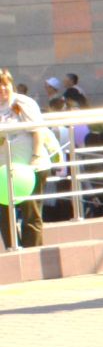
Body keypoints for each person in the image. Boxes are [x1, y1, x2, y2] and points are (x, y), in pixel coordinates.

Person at [0, 68, 49, 248]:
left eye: (5, 84)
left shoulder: (22, 103)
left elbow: (37, 130)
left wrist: (35, 156)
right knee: (4, 215)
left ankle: (33, 254)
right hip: (4, 173)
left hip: (30, 168)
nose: (2, 89)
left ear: (11, 84)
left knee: (31, 213)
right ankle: (13, 249)